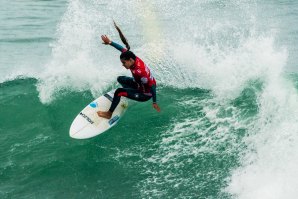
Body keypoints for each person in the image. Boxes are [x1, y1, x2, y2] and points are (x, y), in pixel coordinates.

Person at [97, 22, 161, 119]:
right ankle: (127, 93)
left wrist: (154, 102)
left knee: (118, 92)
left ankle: (109, 114)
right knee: (120, 79)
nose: (123, 65)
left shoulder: (141, 72)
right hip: (138, 85)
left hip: (144, 94)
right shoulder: (132, 58)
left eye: (124, 63)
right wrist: (110, 42)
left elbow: (152, 85)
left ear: (130, 60)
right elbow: (122, 49)